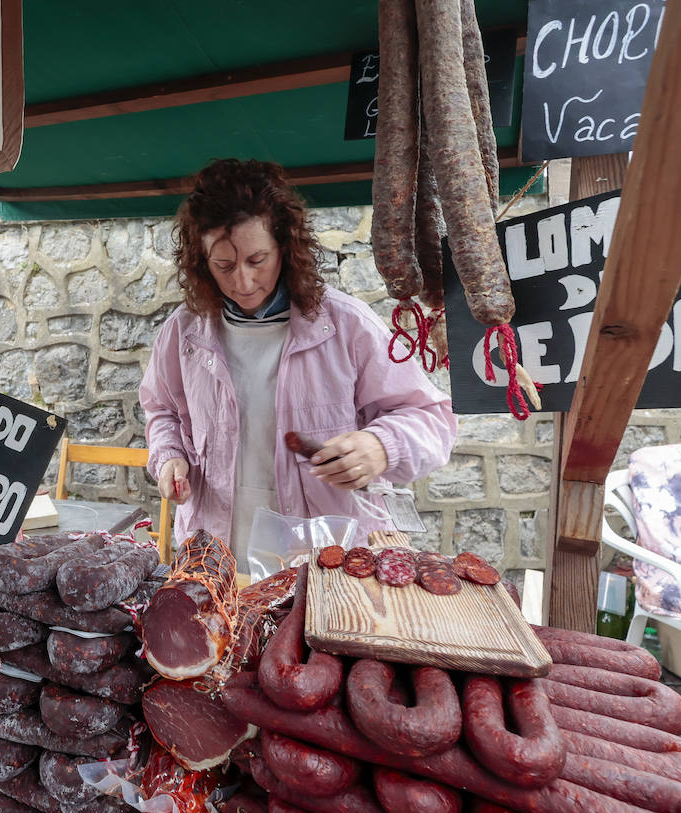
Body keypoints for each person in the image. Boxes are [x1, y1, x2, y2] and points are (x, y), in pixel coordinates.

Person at [139, 159, 457, 567]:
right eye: (224, 266)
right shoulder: (183, 334)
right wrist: (169, 456)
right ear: (201, 263)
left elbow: (432, 418)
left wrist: (381, 447)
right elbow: (161, 410)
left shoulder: (347, 325)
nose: (243, 282)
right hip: (214, 556)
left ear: (285, 248)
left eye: (257, 260)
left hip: (327, 562)